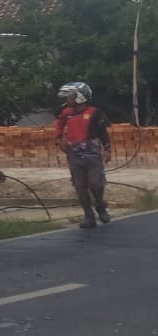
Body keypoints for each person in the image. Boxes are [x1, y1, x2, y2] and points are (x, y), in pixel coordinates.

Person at [54, 81, 113, 229]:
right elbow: (59, 126)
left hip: (92, 154)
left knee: (96, 184)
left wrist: (107, 149)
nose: (67, 99)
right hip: (74, 155)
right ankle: (89, 217)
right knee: (80, 187)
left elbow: (103, 132)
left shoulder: (94, 112)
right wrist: (58, 140)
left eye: (70, 96)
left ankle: (100, 205)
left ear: (80, 97)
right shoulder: (65, 113)